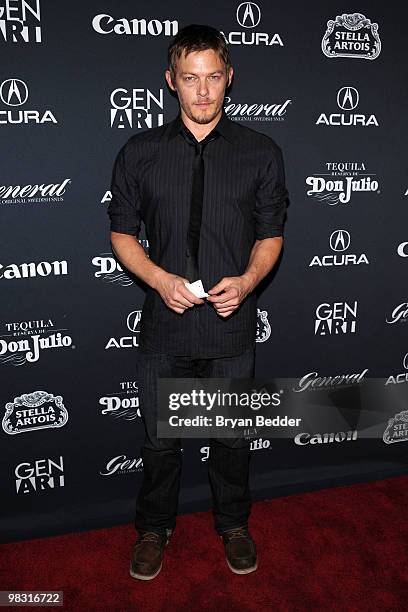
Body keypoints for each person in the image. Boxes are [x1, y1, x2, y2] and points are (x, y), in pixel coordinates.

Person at [108, 23, 288, 580]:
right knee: (161, 444)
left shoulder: (260, 152)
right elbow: (121, 235)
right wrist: (161, 280)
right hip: (164, 328)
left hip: (231, 331)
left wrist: (250, 280)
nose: (204, 92)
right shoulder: (139, 152)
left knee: (231, 440)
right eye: (191, 79)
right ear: (171, 82)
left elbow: (270, 234)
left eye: (213, 78)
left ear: (229, 78)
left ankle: (233, 524)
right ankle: (154, 530)